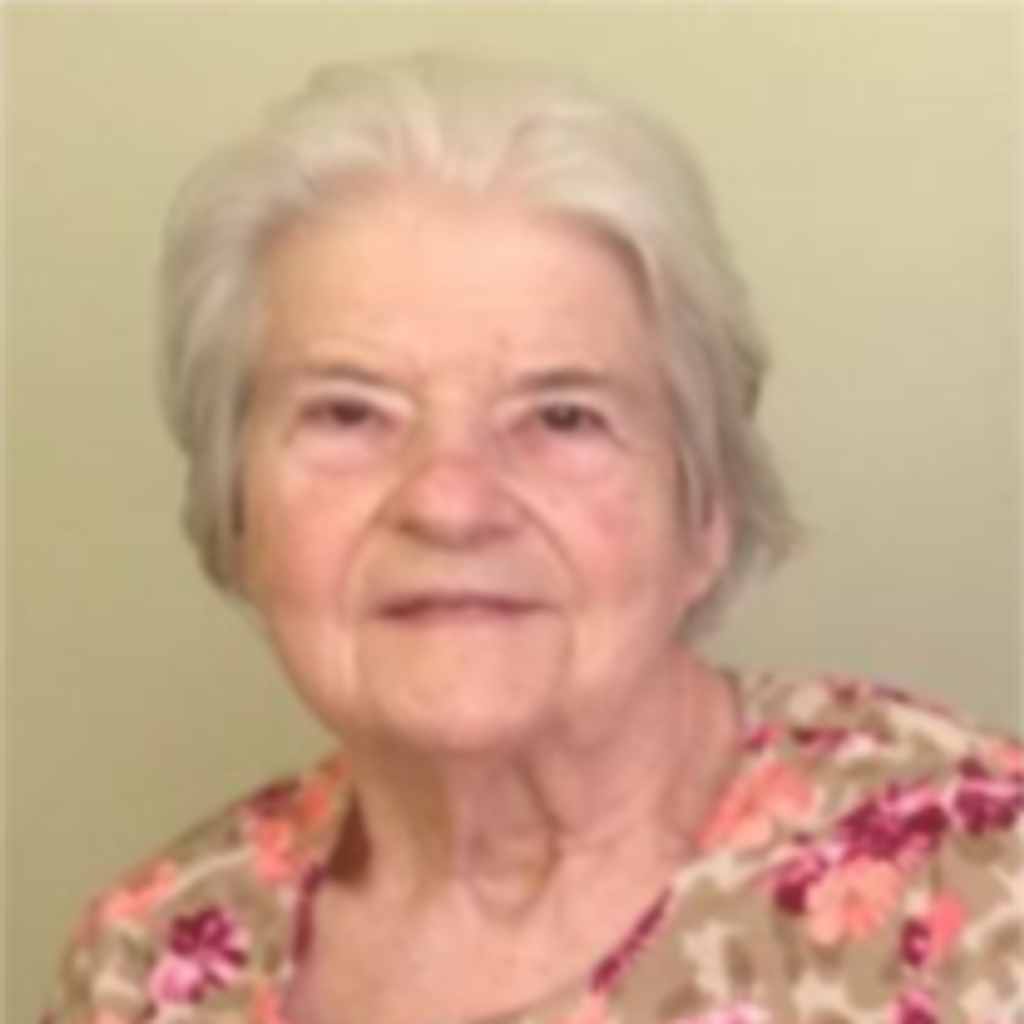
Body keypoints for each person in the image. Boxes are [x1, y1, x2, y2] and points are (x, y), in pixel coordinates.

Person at [43, 52, 1023, 1024]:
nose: (450, 502)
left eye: (562, 417)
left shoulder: (979, 876)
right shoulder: (145, 965)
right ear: (237, 509)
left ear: (705, 511)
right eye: (348, 413)